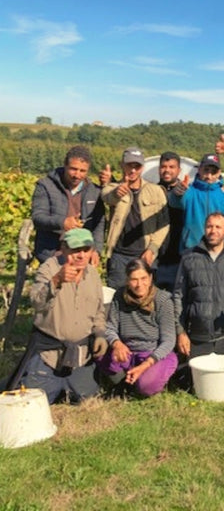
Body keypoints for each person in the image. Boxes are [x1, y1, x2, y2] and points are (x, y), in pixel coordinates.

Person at [8, 229, 107, 403]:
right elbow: (36, 303)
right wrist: (56, 281)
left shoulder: (93, 274)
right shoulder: (48, 268)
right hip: (49, 354)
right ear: (64, 248)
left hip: (80, 354)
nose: (81, 255)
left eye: (86, 250)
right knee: (34, 401)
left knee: (87, 398)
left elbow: (98, 310)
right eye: (76, 250)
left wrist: (99, 334)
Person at [174, 213, 224, 368]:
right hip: (199, 336)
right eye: (209, 226)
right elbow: (179, 296)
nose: (213, 230)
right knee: (193, 384)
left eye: (218, 227)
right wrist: (180, 332)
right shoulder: (188, 257)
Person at [97, 259, 178, 397]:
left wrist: (145, 365)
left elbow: (168, 340)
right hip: (127, 351)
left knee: (146, 386)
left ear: (151, 277)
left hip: (153, 353)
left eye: (143, 278)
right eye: (134, 280)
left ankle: (141, 381)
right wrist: (117, 344)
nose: (139, 284)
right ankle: (125, 381)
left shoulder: (162, 300)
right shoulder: (120, 296)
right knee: (100, 355)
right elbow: (110, 326)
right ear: (127, 280)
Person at [102, 147, 170, 289]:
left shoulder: (156, 191)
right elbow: (108, 197)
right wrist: (117, 193)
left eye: (137, 166)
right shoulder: (112, 187)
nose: (133, 170)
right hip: (119, 256)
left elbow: (163, 225)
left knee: (146, 301)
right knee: (117, 299)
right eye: (129, 166)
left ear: (142, 168)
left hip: (144, 256)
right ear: (122, 165)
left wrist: (152, 249)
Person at [31, 145, 105, 265]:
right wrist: (62, 222)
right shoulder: (45, 186)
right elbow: (38, 218)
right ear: (65, 165)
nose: (77, 175)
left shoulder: (94, 191)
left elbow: (99, 223)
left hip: (81, 255)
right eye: (73, 169)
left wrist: (96, 249)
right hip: (52, 253)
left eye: (82, 171)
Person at [168, 153, 224, 252]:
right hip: (191, 250)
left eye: (213, 172)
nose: (209, 176)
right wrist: (177, 193)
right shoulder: (189, 192)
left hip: (218, 253)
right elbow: (173, 202)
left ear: (219, 173)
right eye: (206, 170)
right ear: (199, 169)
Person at [155, 151, 186, 291]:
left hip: (179, 258)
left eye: (172, 167)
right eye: (164, 166)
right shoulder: (151, 191)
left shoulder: (188, 193)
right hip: (155, 257)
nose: (167, 170)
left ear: (179, 170)